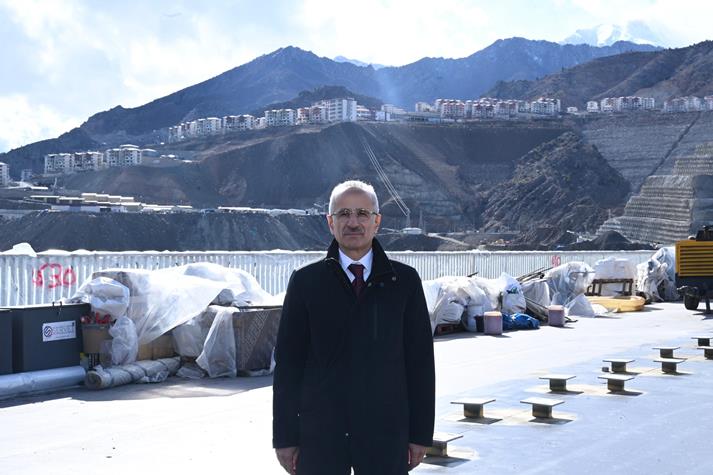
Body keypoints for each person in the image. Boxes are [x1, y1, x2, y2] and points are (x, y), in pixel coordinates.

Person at [272, 180, 435, 474]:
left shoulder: (404, 282)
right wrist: (285, 437)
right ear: (330, 222)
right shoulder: (306, 282)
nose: (353, 222)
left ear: (377, 221)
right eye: (344, 214)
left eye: (362, 213)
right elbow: (288, 365)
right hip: (320, 435)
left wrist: (420, 434)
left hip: (385, 434)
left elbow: (420, 364)